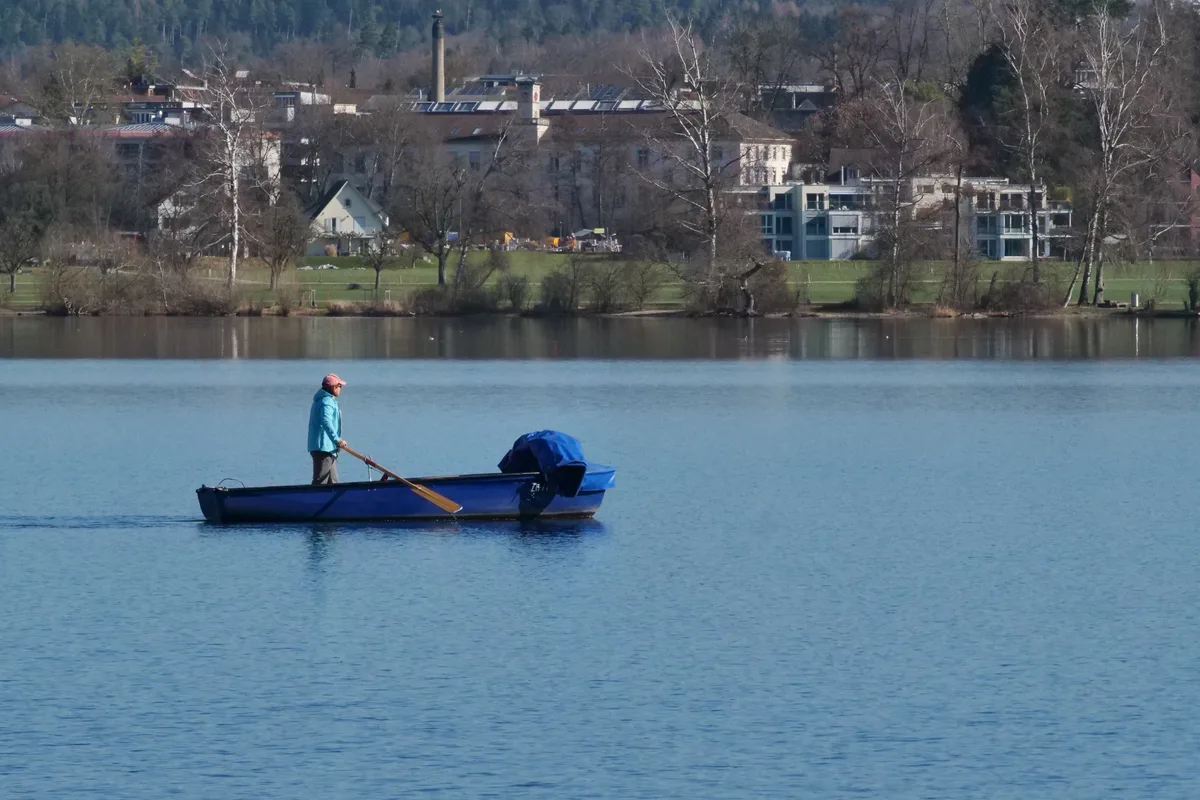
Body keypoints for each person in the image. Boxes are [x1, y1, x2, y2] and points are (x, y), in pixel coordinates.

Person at [308, 373, 347, 485]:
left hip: (329, 449)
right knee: (320, 482)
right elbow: (326, 422)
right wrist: (337, 440)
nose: (340, 389)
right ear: (333, 387)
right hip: (323, 448)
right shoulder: (327, 401)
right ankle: (314, 501)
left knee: (333, 482)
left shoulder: (325, 400)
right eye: (339, 386)